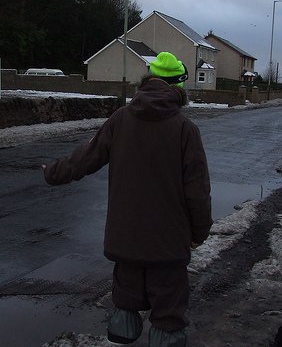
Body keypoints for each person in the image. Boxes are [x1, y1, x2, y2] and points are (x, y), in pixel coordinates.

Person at [42, 51, 213, 346]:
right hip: (168, 245)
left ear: (148, 82)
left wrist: (54, 172)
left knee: (124, 308)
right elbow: (197, 190)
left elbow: (86, 157)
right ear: (178, 88)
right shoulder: (185, 130)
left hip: (126, 240)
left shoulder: (120, 120)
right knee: (168, 316)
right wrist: (199, 232)